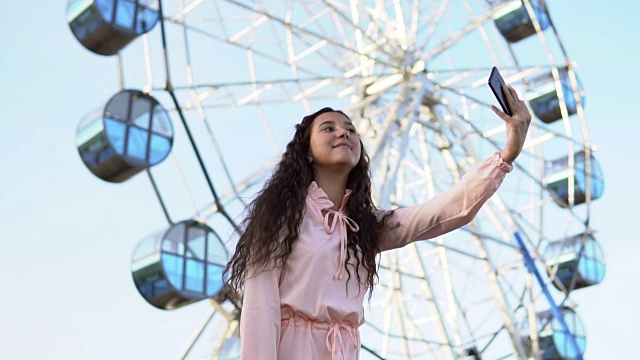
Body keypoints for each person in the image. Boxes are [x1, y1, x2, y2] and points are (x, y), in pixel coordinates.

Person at [225, 85, 532, 360]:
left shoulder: (366, 226)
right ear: (306, 152)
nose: (343, 133)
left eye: (349, 129)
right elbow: (260, 305)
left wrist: (507, 155)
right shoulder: (282, 214)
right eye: (328, 128)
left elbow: (443, 212)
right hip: (291, 348)